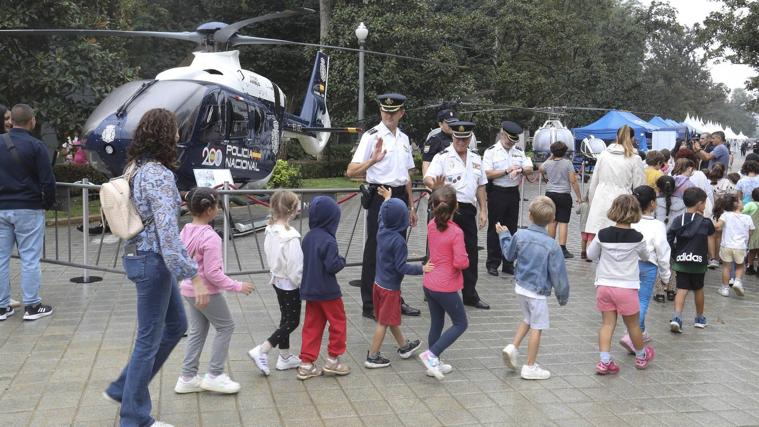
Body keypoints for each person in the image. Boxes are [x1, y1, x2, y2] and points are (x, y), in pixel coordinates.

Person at [104, 109, 206, 427]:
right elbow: (168, 236)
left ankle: (125, 388)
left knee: (174, 326)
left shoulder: (135, 168)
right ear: (165, 135)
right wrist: (194, 275)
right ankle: (134, 418)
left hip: (139, 258)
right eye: (175, 131)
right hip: (154, 262)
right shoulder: (159, 175)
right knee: (148, 339)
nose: (178, 136)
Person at [346, 93, 420, 319]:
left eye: (393, 112)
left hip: (399, 196)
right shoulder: (372, 136)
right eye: (385, 111)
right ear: (380, 112)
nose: (388, 115)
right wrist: (373, 161)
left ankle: (394, 299)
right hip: (380, 195)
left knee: (397, 251)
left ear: (401, 113)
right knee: (375, 250)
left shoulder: (405, 139)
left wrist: (411, 206)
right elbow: (350, 171)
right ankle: (370, 304)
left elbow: (407, 175)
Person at [175, 187, 254, 395]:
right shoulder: (211, 238)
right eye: (217, 204)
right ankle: (215, 375)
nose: (218, 208)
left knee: (197, 331)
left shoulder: (185, 230)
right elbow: (213, 274)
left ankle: (187, 377)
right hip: (206, 291)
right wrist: (238, 286)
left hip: (188, 289)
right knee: (226, 326)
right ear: (210, 210)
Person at [498, 196, 569, 380]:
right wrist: (562, 296)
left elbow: (508, 255)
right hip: (538, 292)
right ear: (552, 219)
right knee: (538, 326)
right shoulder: (552, 245)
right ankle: (529, 366)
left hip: (521, 286)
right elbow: (558, 274)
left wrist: (504, 235)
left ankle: (513, 347)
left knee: (528, 318)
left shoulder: (520, 235)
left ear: (529, 215)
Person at [425, 121, 490, 309]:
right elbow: (429, 177)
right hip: (447, 209)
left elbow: (481, 185)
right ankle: (434, 288)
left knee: (469, 252)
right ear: (452, 137)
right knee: (440, 252)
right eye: (457, 138)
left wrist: (483, 209)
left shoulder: (477, 159)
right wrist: (435, 187)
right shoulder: (442, 157)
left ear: (470, 138)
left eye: (465, 139)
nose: (461, 142)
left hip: (468, 210)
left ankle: (470, 294)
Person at [0, 104, 56, 322]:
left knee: (1, 259)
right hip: (28, 208)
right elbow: (47, 181)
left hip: (1, 209)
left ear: (11, 120)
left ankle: (2, 307)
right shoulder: (36, 146)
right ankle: (32, 306)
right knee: (30, 258)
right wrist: (47, 203)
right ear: (31, 121)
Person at [588, 195, 654, 374]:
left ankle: (604, 361)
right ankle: (641, 356)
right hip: (626, 287)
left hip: (604, 286)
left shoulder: (603, 234)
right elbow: (646, 256)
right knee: (633, 325)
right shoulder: (637, 237)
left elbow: (590, 254)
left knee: (607, 324)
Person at [365, 187, 431, 368]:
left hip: (378, 284)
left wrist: (387, 199)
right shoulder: (399, 242)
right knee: (383, 322)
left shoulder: (382, 228)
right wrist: (422, 268)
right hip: (390, 289)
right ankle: (372, 356)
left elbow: (381, 215)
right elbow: (401, 267)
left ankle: (404, 347)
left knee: (389, 318)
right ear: (403, 220)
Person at [248, 190, 304, 375]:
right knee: (292, 321)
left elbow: (268, 253)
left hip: (277, 280)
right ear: (293, 209)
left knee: (285, 317)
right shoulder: (291, 236)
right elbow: (296, 266)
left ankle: (285, 357)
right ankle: (262, 349)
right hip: (290, 282)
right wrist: (300, 284)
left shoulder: (270, 230)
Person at [418, 186, 469, 379]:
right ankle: (431, 355)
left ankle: (434, 363)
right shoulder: (456, 232)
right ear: (456, 206)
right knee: (460, 323)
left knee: (437, 322)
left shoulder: (432, 224)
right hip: (445, 286)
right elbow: (461, 262)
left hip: (429, 281)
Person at [297, 196, 350, 380]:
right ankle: (333, 360)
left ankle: (306, 363)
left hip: (310, 290)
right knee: (338, 323)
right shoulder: (329, 240)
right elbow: (332, 265)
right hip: (328, 291)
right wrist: (342, 261)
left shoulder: (308, 237)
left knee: (312, 325)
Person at [620, 186, 670, 350]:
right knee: (641, 302)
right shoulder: (657, 225)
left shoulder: (627, 222)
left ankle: (641, 331)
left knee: (629, 301)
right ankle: (631, 336)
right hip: (648, 266)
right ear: (653, 204)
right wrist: (665, 276)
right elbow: (663, 251)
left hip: (627, 265)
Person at [483, 121, 533, 275]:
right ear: (502, 133)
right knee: (495, 228)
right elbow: (487, 173)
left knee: (511, 228)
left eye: (513, 140)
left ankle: (508, 262)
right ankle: (492, 262)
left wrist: (522, 169)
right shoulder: (491, 151)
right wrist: (506, 171)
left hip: (512, 193)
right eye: (508, 139)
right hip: (497, 192)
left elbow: (529, 168)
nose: (510, 143)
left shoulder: (518, 151)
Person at [584, 125, 645, 240]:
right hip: (623, 201)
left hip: (600, 198)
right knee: (619, 237)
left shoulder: (603, 155)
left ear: (616, 137)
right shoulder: (635, 158)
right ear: (632, 139)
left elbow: (594, 182)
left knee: (597, 235)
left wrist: (593, 202)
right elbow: (639, 187)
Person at [667, 188, 714, 332]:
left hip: (681, 261)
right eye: (704, 203)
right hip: (699, 261)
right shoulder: (706, 222)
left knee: (682, 289)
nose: (705, 206)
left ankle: (677, 317)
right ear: (700, 204)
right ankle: (699, 318)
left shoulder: (678, 220)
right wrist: (712, 257)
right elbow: (711, 239)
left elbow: (669, 237)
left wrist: (674, 253)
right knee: (698, 289)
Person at [540, 141, 582, 258]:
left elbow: (540, 169)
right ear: (565, 152)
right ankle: (562, 248)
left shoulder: (548, 164)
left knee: (552, 221)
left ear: (552, 152)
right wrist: (578, 196)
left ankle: (550, 246)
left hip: (550, 194)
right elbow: (573, 181)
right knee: (563, 222)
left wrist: (550, 156)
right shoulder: (568, 163)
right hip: (564, 194)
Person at [713, 193, 754, 297]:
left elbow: (718, 227)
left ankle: (725, 289)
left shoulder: (725, 215)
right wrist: (746, 241)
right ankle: (738, 282)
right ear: (735, 204)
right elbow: (751, 231)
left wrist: (711, 223)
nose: (742, 202)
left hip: (726, 245)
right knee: (740, 266)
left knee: (726, 267)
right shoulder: (747, 218)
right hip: (740, 246)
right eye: (740, 200)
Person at [421, 109, 476, 177]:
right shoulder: (435, 140)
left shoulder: (462, 139)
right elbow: (426, 163)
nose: (452, 125)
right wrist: (428, 185)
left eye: (454, 123)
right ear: (440, 124)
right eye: (449, 123)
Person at [744, 188, 759, 275]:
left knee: (752, 250)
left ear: (752, 196)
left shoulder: (751, 204)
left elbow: (741, 211)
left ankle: (750, 267)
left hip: (753, 230)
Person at [577, 189, 591, 261]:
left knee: (583, 240)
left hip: (583, 226)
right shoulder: (594, 205)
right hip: (591, 226)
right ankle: (589, 255)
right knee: (590, 240)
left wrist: (580, 203)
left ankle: (583, 252)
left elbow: (577, 211)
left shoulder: (583, 204)